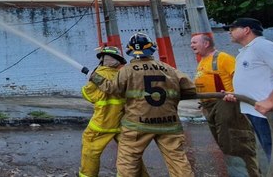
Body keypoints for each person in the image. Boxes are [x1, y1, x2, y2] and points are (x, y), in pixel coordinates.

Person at [89, 32, 197, 177]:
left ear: (130, 51)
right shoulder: (169, 69)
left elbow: (112, 89)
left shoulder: (126, 71)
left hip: (137, 125)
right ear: (151, 49)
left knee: (128, 163)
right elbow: (190, 89)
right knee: (178, 161)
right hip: (169, 124)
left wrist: (94, 77)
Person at [190, 34, 260, 176]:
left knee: (236, 144)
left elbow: (241, 78)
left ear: (206, 43)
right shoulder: (203, 61)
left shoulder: (223, 58)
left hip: (227, 105)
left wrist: (233, 93)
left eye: (194, 42)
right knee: (225, 144)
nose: (191, 45)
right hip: (210, 107)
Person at [79, 46, 149, 177]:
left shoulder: (98, 76)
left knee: (90, 150)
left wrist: (90, 80)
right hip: (123, 123)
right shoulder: (123, 76)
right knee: (130, 154)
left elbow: (88, 95)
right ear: (117, 61)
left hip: (102, 123)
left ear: (102, 60)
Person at [222, 17, 273, 162]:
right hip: (256, 111)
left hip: (269, 114)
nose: (230, 32)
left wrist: (271, 100)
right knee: (270, 154)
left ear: (246, 30)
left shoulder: (262, 46)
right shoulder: (246, 51)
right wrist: (237, 95)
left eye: (233, 28)